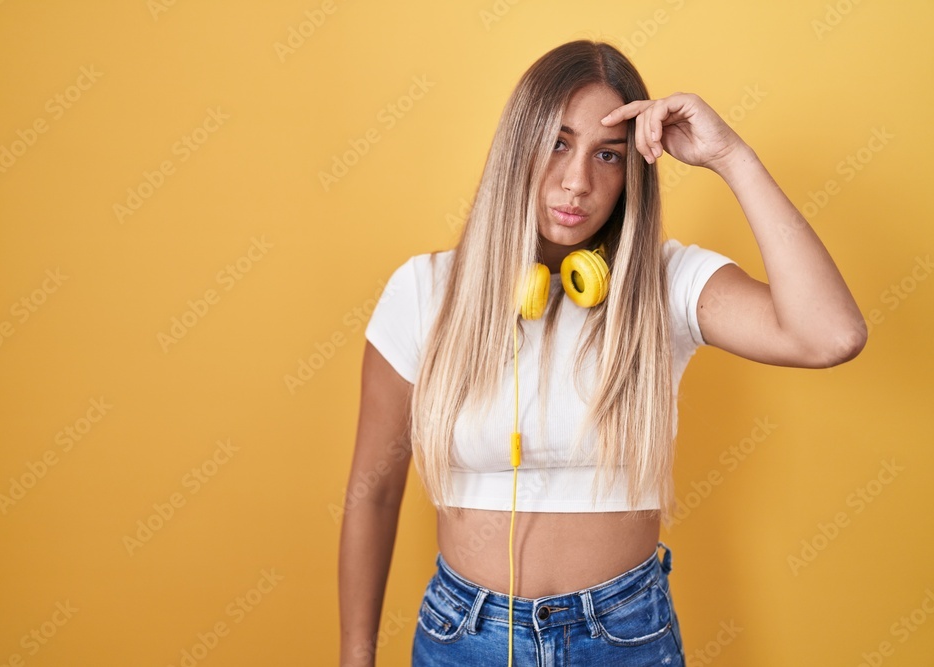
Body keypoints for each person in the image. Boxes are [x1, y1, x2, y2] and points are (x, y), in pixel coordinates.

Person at [338, 40, 866, 666]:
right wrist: (355, 658)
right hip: (465, 638)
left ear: (632, 173)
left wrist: (730, 156)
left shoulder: (663, 285)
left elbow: (830, 335)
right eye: (557, 142)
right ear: (517, 149)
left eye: (608, 155)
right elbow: (372, 494)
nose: (577, 181)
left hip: (625, 634)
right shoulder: (425, 290)